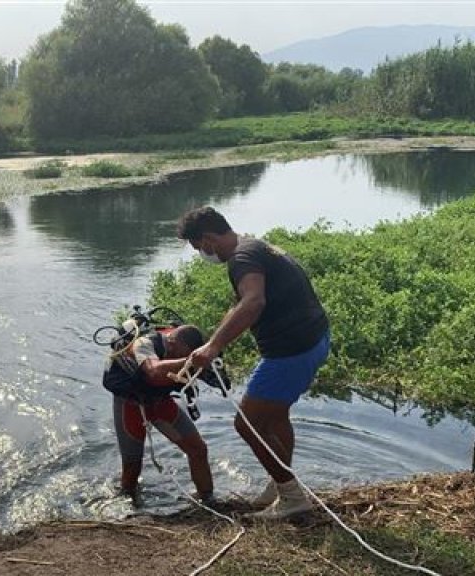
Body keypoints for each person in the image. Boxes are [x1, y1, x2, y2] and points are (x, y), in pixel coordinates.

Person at [179, 206, 331, 520]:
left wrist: (215, 345)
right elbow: (240, 304)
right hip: (313, 341)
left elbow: (254, 302)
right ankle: (281, 484)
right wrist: (213, 343)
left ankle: (292, 497)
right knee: (275, 418)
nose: (202, 254)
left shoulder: (241, 259)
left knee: (247, 424)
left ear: (208, 239)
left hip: (291, 352)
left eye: (198, 248)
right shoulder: (255, 246)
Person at [103, 323, 216, 507]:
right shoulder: (144, 344)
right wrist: (189, 361)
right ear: (171, 342)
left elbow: (218, 381)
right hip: (131, 404)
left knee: (198, 450)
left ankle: (207, 499)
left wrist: (214, 368)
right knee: (132, 464)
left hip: (161, 402)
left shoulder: (183, 349)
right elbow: (153, 370)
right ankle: (129, 506)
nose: (178, 358)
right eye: (177, 354)